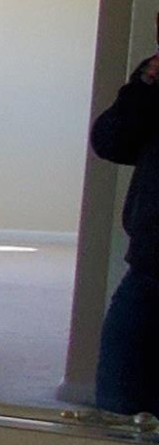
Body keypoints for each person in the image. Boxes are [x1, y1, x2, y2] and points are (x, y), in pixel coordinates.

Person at [88, 23, 159, 415]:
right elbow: (111, 142)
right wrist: (147, 81)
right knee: (118, 407)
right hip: (150, 267)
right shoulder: (152, 80)